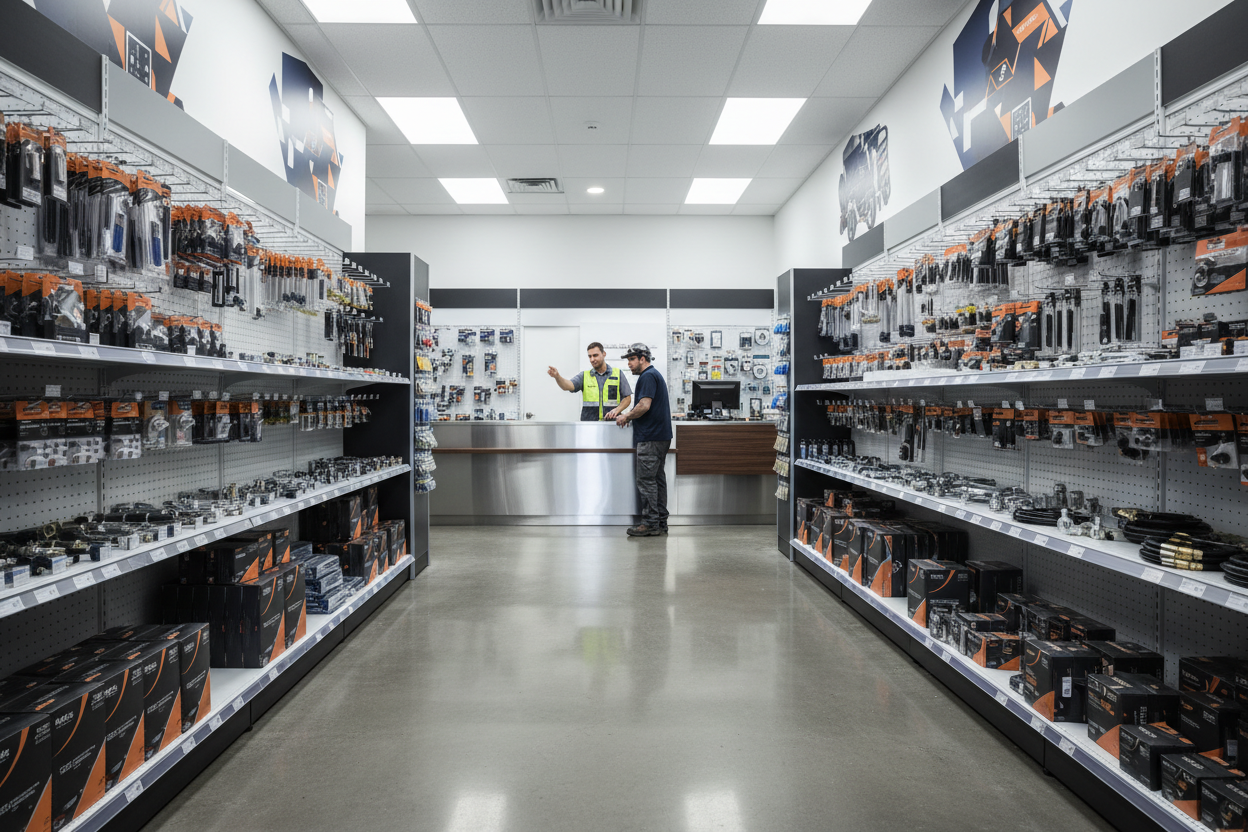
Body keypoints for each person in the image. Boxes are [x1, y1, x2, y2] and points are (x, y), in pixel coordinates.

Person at [614, 343, 672, 537]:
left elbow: (644, 405)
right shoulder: (654, 375)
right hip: (661, 436)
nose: (629, 364)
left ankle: (650, 523)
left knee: (646, 481)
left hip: (650, 437)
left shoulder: (647, 376)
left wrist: (626, 416)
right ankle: (661, 522)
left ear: (642, 358)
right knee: (657, 480)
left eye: (632, 359)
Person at [548, 342, 632, 422]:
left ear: (604, 354)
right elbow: (568, 386)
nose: (592, 359)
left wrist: (617, 410)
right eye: (590, 356)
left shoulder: (618, 373)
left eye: (595, 355)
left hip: (611, 423)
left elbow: (627, 398)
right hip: (589, 425)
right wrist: (557, 377)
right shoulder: (584, 376)